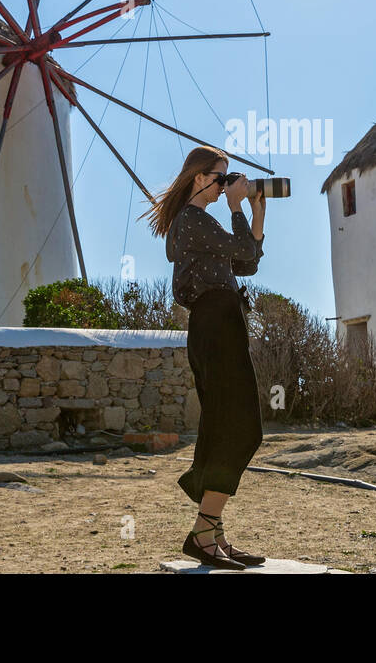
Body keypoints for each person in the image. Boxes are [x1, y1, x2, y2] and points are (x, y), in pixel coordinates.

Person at [139, 145, 267, 569]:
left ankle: (210, 534)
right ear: (198, 178)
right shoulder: (191, 221)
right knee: (240, 424)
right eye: (220, 177)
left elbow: (246, 265)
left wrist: (257, 212)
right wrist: (236, 208)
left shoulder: (202, 223)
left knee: (230, 423)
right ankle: (203, 529)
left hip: (223, 320)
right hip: (214, 322)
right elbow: (244, 253)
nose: (225, 185)